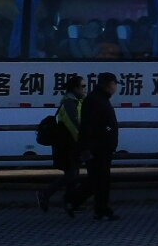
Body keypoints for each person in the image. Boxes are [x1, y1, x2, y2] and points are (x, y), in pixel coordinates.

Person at [36, 74, 86, 215]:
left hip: (69, 145)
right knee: (71, 174)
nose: (85, 89)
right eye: (82, 86)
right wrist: (83, 143)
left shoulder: (75, 102)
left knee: (74, 174)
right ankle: (45, 194)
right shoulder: (69, 104)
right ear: (75, 88)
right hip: (66, 146)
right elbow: (74, 126)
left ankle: (69, 204)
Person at [77, 72, 121, 221]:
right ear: (108, 84)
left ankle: (101, 209)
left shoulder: (99, 98)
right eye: (114, 84)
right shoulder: (96, 100)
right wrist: (87, 147)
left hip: (102, 147)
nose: (115, 87)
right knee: (100, 180)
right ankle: (100, 211)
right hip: (98, 148)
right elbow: (90, 127)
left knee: (100, 180)